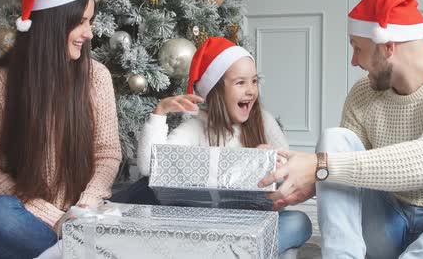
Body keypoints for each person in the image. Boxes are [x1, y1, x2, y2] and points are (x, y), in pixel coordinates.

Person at [259, 0, 423, 258]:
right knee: (336, 139)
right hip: (388, 225)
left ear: (388, 46)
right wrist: (297, 177)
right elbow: (343, 175)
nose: (354, 61)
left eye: (357, 48)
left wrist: (319, 165)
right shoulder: (362, 93)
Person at [0, 0, 122, 259]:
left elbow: (108, 153)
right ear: (52, 23)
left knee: (147, 190)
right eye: (80, 22)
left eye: (89, 22)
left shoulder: (97, 76)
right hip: (34, 220)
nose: (89, 33)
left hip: (86, 214)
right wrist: (56, 220)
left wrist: (86, 206)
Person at [127, 37, 312, 255]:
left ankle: (238, 252)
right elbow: (150, 167)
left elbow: (289, 172)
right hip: (209, 225)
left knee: (299, 222)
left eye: (254, 81)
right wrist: (159, 113)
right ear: (216, 91)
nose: (251, 90)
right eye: (240, 82)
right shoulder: (196, 128)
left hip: (254, 223)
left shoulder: (264, 121)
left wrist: (270, 164)